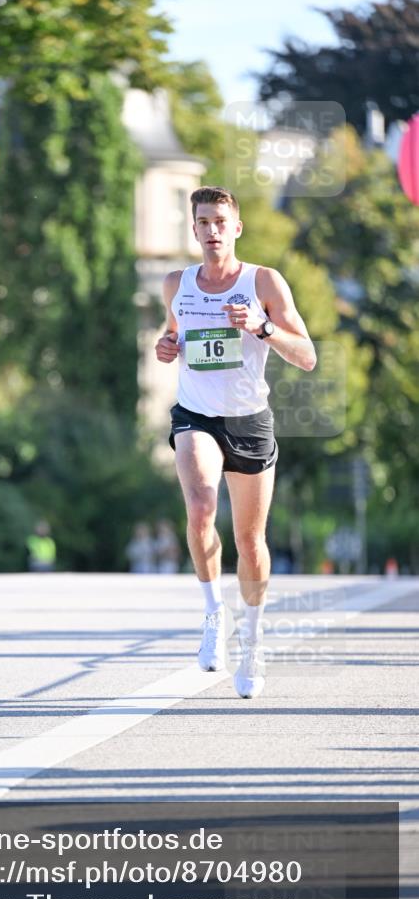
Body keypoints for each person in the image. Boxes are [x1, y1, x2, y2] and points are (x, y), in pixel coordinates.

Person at [155, 186, 316, 698]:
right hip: (195, 414)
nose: (213, 230)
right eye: (204, 221)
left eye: (222, 221)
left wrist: (263, 326)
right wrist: (166, 345)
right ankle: (211, 614)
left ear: (237, 228)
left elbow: (307, 355)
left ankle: (252, 637)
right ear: (194, 228)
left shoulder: (262, 281)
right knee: (201, 507)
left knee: (250, 540)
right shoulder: (176, 284)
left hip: (249, 421)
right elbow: (174, 335)